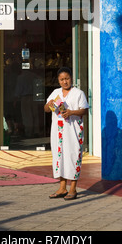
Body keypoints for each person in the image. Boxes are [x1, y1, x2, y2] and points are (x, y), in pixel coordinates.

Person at [44, 67, 89, 200]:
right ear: (58, 80)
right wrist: (50, 104)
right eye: (62, 79)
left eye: (67, 79)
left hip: (73, 131)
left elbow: (84, 110)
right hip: (58, 132)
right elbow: (46, 109)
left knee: (73, 156)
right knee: (60, 157)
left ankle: (73, 189)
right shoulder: (55, 93)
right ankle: (62, 188)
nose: (65, 82)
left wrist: (71, 112)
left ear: (71, 79)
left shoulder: (78, 93)